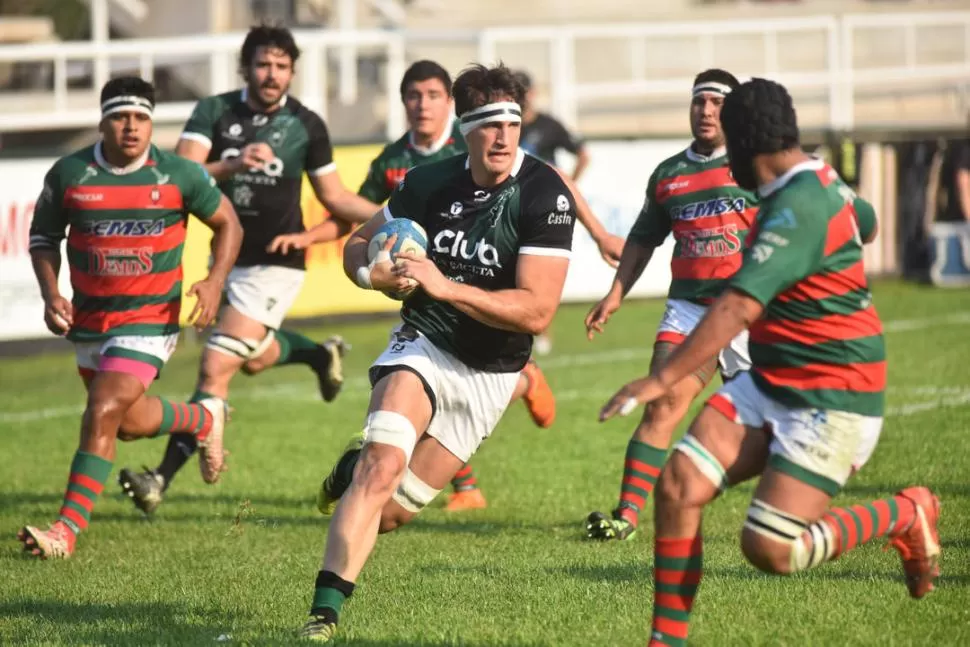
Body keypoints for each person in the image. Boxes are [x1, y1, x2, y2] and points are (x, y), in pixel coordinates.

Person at [599, 78, 940, 647]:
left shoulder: (798, 205)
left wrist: (661, 377)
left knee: (771, 549)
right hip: (772, 378)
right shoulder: (809, 180)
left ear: (740, 142)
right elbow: (869, 221)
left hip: (833, 395)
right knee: (679, 486)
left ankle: (905, 513)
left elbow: (736, 305)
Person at [298, 63, 578, 642]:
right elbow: (356, 245)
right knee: (382, 468)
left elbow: (537, 311)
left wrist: (444, 282)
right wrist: (373, 276)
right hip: (425, 339)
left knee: (393, 510)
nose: (503, 136)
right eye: (488, 124)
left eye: (512, 123)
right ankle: (321, 619)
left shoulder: (545, 192)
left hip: (495, 369)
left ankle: (349, 469)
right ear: (465, 127)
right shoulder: (429, 183)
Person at [117, 25, 382, 515]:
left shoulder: (306, 125)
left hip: (276, 266)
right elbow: (182, 173)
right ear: (246, 68)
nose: (272, 74)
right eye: (263, 64)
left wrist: (394, 214)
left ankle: (159, 479)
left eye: (282, 66)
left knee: (216, 364)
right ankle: (319, 356)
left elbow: (337, 198)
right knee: (253, 359)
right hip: (226, 258)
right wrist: (233, 163)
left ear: (292, 72)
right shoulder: (214, 112)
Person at [17, 77, 243, 559]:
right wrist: (50, 291)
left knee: (101, 409)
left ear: (150, 122)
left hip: (150, 320)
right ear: (102, 121)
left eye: (141, 118)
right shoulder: (70, 174)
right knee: (126, 423)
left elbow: (228, 222)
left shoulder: (179, 175)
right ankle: (202, 418)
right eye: (120, 117)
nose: (131, 127)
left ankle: (65, 532)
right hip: (91, 322)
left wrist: (214, 280)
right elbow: (42, 238)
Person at [584, 69, 757, 541]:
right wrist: (615, 294)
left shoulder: (756, 166)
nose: (705, 111)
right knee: (661, 403)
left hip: (748, 312)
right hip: (689, 311)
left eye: (717, 103)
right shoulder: (669, 175)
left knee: (768, 420)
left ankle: (792, 507)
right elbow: (642, 240)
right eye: (699, 101)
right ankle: (627, 517)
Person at [514, 69, 623, 355]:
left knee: (538, 271)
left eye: (524, 91)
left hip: (543, 206)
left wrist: (567, 186)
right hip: (512, 203)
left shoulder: (549, 125)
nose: (521, 97)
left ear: (533, 93)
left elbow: (582, 153)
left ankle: (542, 331)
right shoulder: (506, 125)